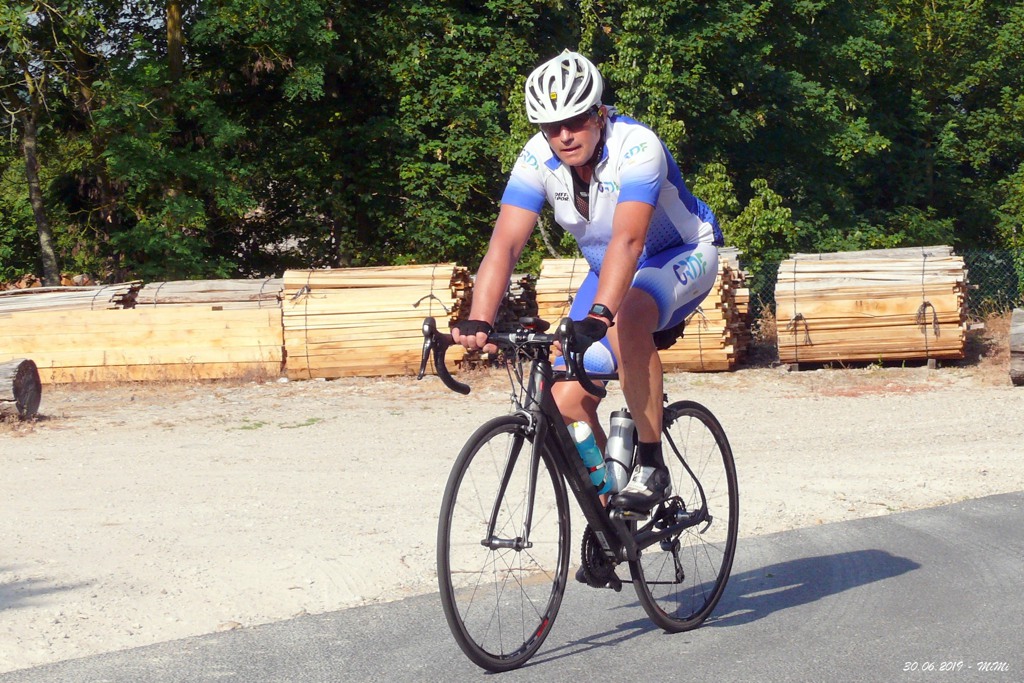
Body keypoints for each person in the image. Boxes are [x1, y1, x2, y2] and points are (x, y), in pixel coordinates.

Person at [452, 49, 723, 514]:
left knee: (626, 318)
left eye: (575, 121)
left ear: (599, 114)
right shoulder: (537, 158)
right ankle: (611, 516)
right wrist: (479, 319)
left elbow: (629, 240)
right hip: (609, 272)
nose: (564, 135)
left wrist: (600, 314)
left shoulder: (636, 146)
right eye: (551, 126)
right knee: (563, 401)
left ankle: (652, 465)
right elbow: (505, 245)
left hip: (679, 253)